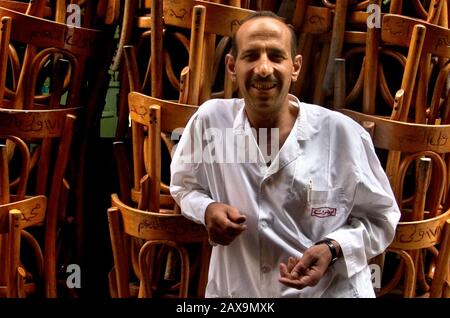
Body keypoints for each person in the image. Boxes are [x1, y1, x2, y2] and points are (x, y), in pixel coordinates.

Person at [170, 11, 400, 297]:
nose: (264, 69)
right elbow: (184, 186)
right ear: (232, 66)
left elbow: (382, 217)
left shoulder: (341, 135)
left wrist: (333, 248)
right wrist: (207, 210)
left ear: (295, 66)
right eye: (251, 56)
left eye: (276, 56)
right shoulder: (213, 124)